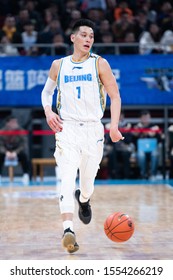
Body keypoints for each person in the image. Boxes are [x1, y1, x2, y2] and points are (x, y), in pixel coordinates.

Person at [41, 19, 123, 254]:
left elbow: (115, 96)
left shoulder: (100, 64)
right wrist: (48, 111)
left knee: (87, 183)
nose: (89, 39)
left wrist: (114, 126)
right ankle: (68, 230)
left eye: (92, 36)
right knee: (66, 177)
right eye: (84, 35)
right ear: (73, 38)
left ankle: (84, 199)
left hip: (93, 129)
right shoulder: (59, 65)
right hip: (66, 129)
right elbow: (46, 92)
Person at [0, 115, 30, 184]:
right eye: (13, 122)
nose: (15, 123)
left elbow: (23, 145)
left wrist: (15, 152)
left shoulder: (21, 131)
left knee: (24, 156)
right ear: (8, 123)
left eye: (16, 122)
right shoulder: (2, 132)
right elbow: (0, 145)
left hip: (17, 152)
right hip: (5, 152)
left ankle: (26, 175)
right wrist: (6, 152)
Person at [133, 110, 161, 180]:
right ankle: (143, 174)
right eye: (144, 117)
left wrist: (157, 133)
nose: (146, 119)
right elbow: (133, 139)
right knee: (141, 155)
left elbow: (160, 139)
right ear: (140, 118)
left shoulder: (154, 126)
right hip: (140, 150)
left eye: (147, 117)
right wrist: (136, 133)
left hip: (152, 149)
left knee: (155, 154)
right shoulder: (137, 127)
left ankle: (153, 174)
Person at [105, 111, 134, 179]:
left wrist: (124, 132)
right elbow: (108, 141)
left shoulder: (128, 126)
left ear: (123, 116)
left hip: (124, 148)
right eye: (117, 115)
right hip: (113, 147)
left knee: (126, 154)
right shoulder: (109, 126)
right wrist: (111, 130)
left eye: (120, 115)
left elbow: (129, 141)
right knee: (112, 153)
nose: (119, 117)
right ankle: (113, 175)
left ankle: (126, 176)